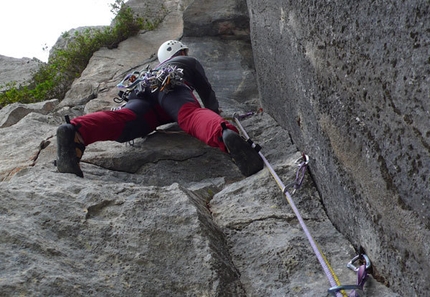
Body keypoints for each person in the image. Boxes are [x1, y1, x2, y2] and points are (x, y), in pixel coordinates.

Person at [56, 40, 263, 178]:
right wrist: (214, 113)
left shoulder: (152, 69)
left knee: (125, 119)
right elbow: (205, 89)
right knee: (190, 115)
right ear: (179, 51)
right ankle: (224, 134)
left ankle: (76, 130)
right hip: (168, 85)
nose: (185, 53)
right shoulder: (185, 61)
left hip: (143, 94)